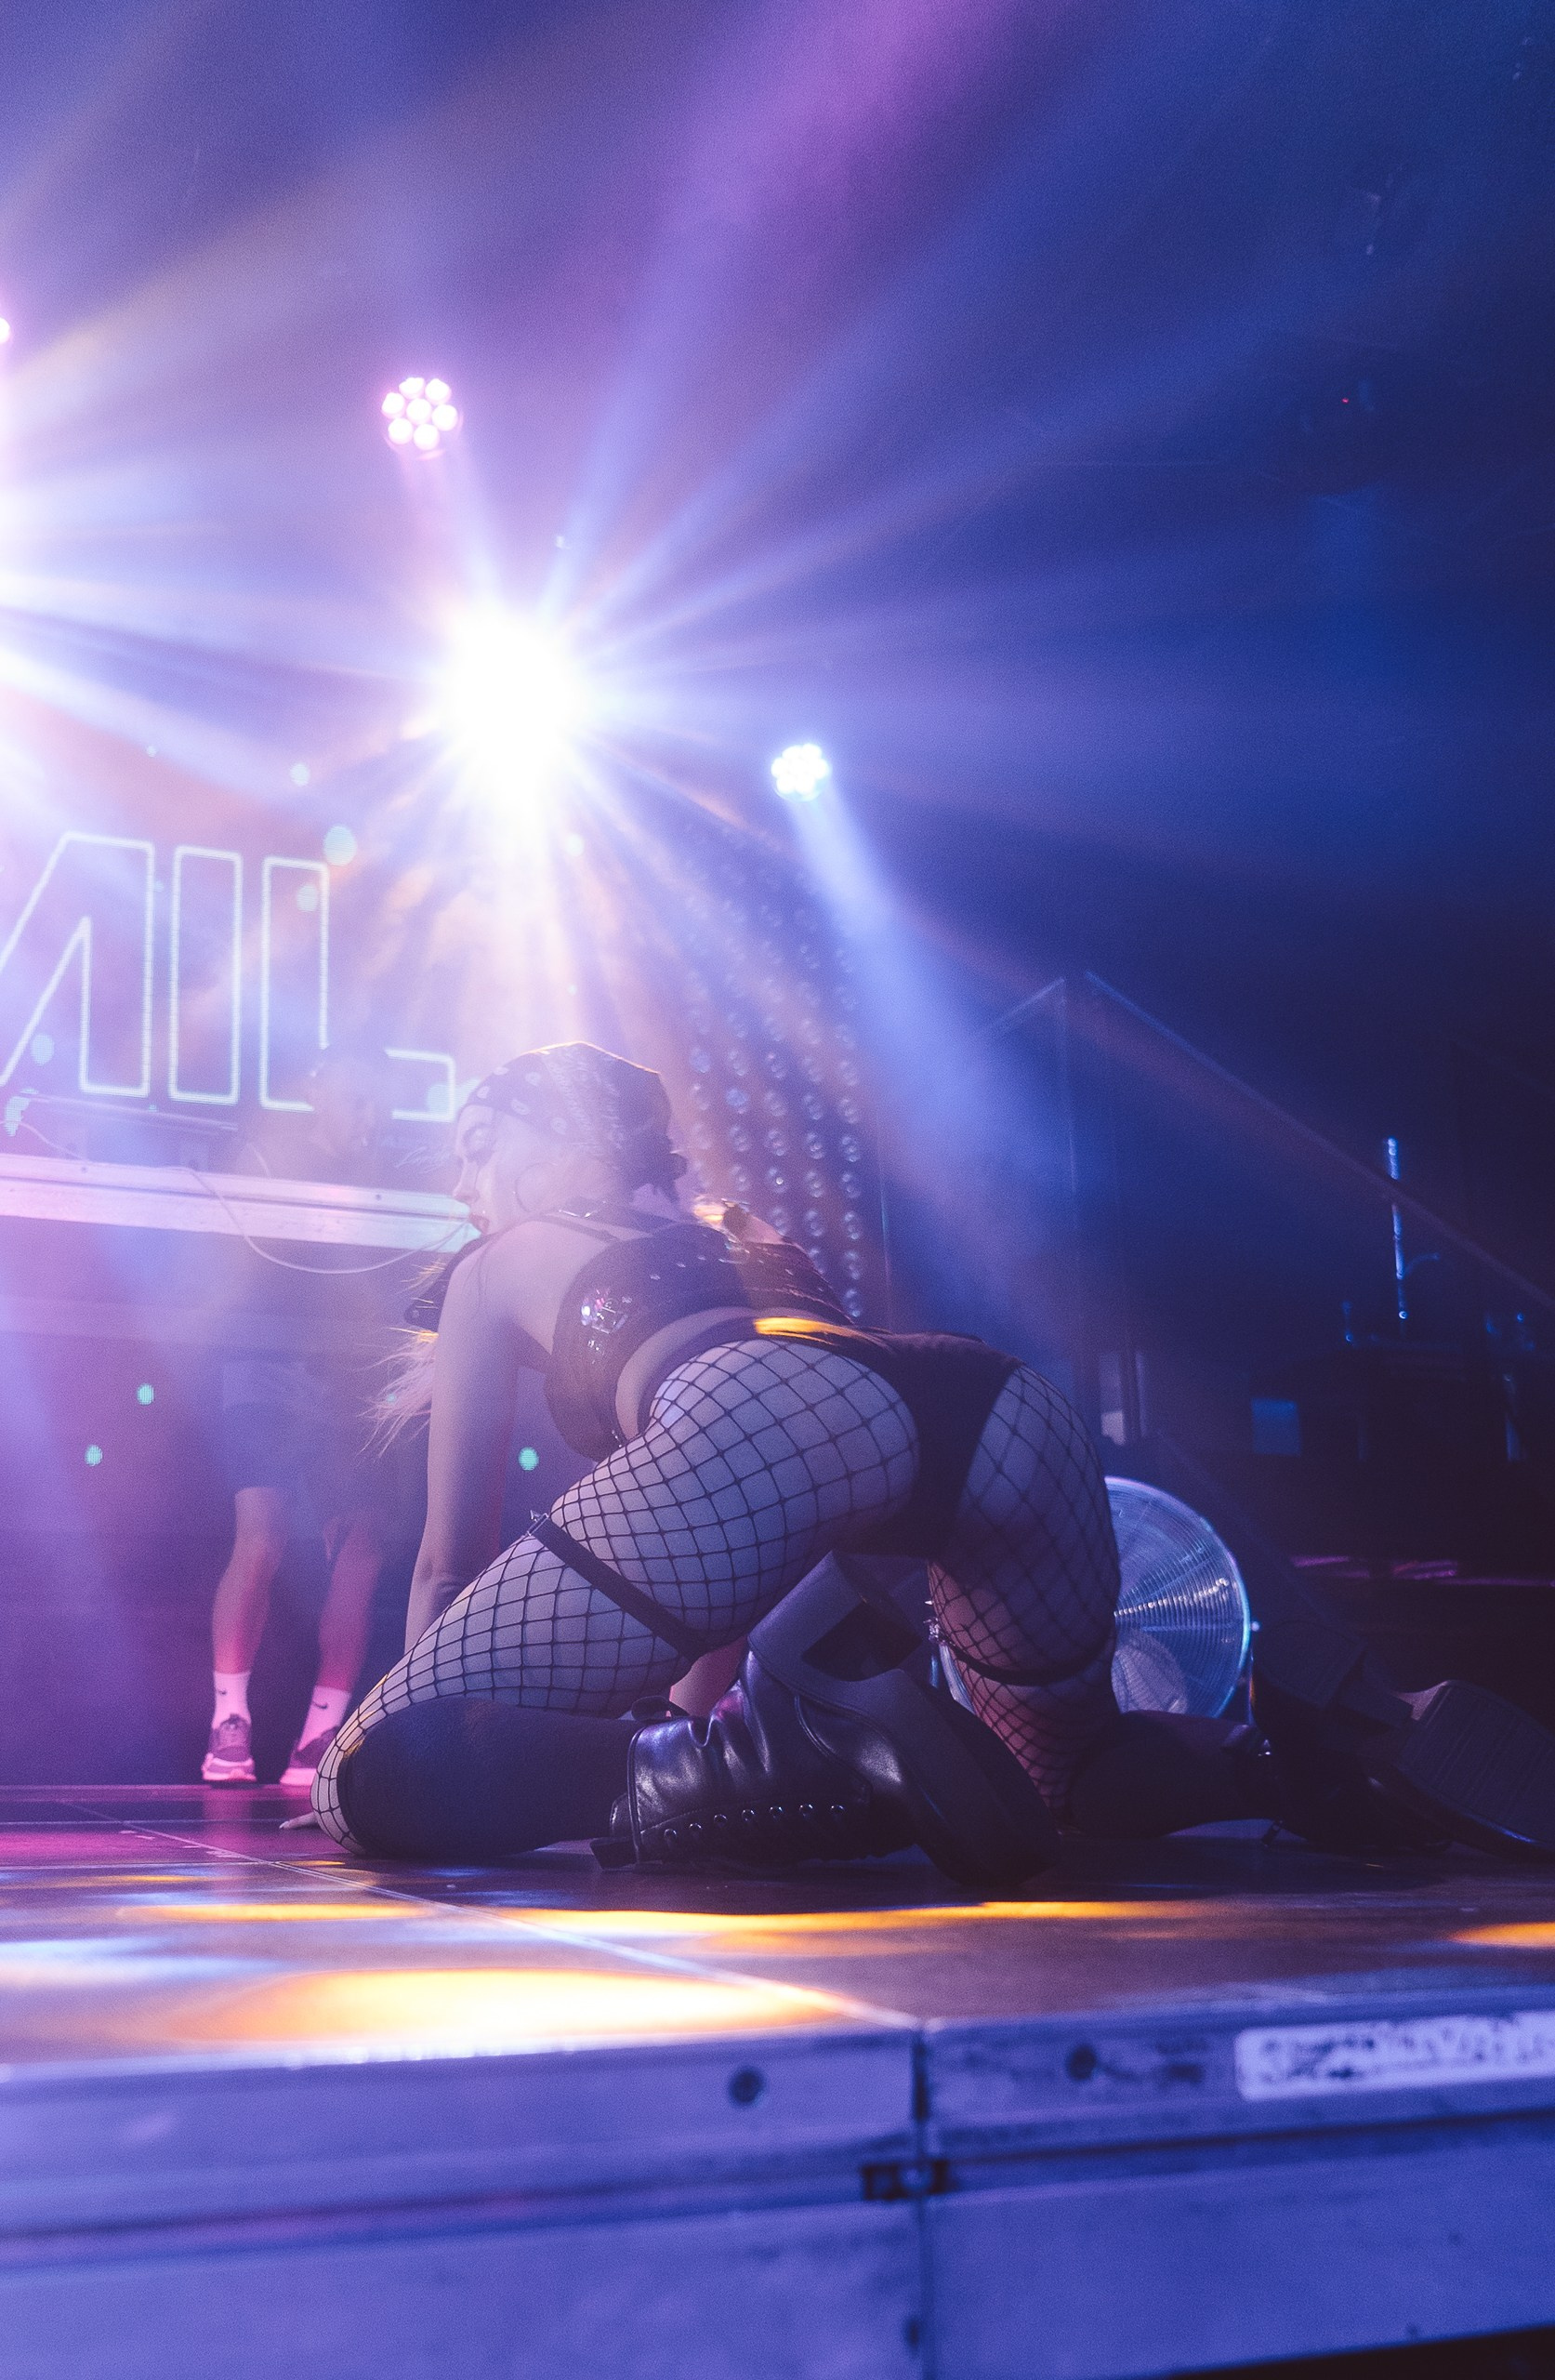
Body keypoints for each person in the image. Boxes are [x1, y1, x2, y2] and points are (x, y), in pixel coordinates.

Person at [309, 1041, 1555, 1875]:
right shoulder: (743, 1231)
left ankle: (797, 1753)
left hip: (769, 1437)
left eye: (472, 1145)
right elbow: (783, 1490)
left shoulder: (498, 1263)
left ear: (541, 1137)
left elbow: (449, 1558)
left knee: (366, 1777)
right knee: (1061, 1777)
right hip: (994, 1409)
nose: (461, 1182)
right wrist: (685, 1744)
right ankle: (1313, 1752)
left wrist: (423, 1718)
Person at [202, 1046, 407, 1791]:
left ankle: (320, 1733)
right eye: (358, 1096)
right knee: (261, 1533)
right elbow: (227, 1267)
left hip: (353, 1378)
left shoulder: (394, 1176)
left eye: (379, 1100)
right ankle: (229, 1721)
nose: (369, 1114)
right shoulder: (265, 1155)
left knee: (361, 1545)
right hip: (267, 1362)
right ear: (321, 1090)